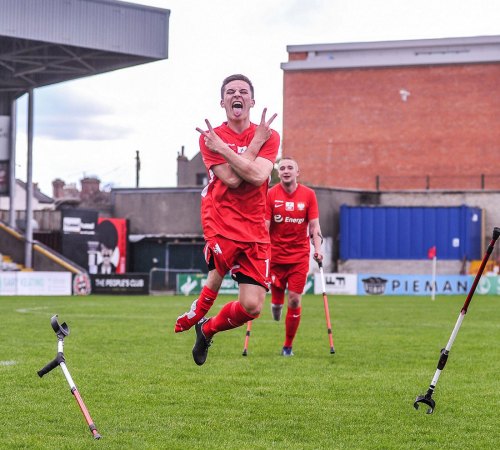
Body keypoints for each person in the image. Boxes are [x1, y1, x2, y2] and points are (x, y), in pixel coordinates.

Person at [174, 74, 280, 366]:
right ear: (222, 102)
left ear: (252, 101)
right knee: (219, 265)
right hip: (220, 218)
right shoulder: (209, 136)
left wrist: (251, 142)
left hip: (256, 226)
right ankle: (199, 310)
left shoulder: (269, 134)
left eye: (243, 91)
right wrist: (223, 147)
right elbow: (233, 180)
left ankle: (206, 328)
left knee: (252, 307)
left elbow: (259, 176)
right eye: (231, 91)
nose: (238, 95)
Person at [265, 157, 323, 356]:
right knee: (276, 304)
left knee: (295, 300)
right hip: (275, 256)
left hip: (299, 256)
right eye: (282, 168)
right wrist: (258, 249)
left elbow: (314, 226)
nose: (286, 170)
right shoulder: (270, 195)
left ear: (298, 172)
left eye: (290, 167)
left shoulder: (309, 195)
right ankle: (275, 304)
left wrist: (318, 248)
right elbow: (264, 226)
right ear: (278, 173)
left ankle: (288, 346)